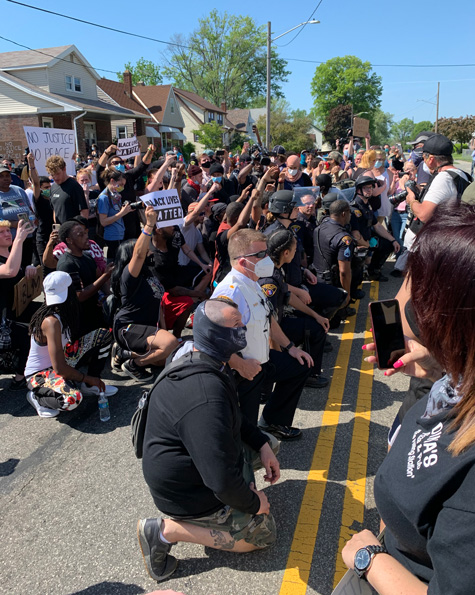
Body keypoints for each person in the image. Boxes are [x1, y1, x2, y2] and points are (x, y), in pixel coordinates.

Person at [342, 201, 475, 595]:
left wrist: (369, 559)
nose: (408, 309)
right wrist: (441, 366)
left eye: (422, 299)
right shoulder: (454, 384)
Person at [138, 299, 279, 582]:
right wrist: (254, 502)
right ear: (216, 335)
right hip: (185, 491)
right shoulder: (205, 393)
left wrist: (262, 446)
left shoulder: (208, 360)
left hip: (195, 462)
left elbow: (235, 418)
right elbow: (220, 480)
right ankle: (167, 530)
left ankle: (241, 486)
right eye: (236, 326)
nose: (243, 329)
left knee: (270, 443)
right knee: (264, 533)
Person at [212, 228, 314, 440]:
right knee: (244, 432)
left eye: (266, 252)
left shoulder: (254, 281)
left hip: (262, 362)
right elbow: (212, 340)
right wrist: (241, 366)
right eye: (260, 255)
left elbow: (268, 318)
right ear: (242, 261)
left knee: (299, 366)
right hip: (243, 372)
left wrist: (291, 348)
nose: (266, 258)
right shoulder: (230, 292)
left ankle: (274, 421)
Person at [24, 271, 116, 418]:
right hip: (40, 373)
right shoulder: (50, 321)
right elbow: (59, 368)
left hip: (61, 360)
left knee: (103, 335)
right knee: (72, 399)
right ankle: (37, 396)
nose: (58, 302)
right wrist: (86, 377)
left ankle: (89, 387)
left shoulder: (64, 312)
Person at [111, 207, 178, 383]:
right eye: (145, 246)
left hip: (147, 327)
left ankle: (124, 353)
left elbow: (159, 304)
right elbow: (139, 254)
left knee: (166, 357)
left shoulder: (148, 273)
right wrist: (149, 224)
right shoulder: (129, 275)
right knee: (170, 344)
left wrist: (163, 330)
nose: (149, 249)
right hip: (129, 327)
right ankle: (135, 363)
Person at [259, 229, 329, 389]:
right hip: (269, 331)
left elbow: (287, 296)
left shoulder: (274, 266)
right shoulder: (268, 279)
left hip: (278, 321)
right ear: (285, 252)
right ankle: (268, 385)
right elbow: (267, 323)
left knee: (317, 326)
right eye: (294, 249)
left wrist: (315, 315)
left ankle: (311, 374)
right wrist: (280, 358)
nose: (296, 251)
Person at [56, 220, 112, 333]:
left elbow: (98, 278)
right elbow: (79, 296)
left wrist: (107, 295)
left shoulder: (87, 256)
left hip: (96, 314)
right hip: (81, 322)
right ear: (69, 240)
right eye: (81, 235)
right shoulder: (67, 264)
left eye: (85, 233)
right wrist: (106, 276)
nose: (87, 237)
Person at [0, 219, 36, 390]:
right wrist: (19, 239)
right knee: (26, 336)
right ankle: (20, 377)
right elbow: (9, 271)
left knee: (50, 313)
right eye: (1, 232)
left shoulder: (12, 251)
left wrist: (29, 269)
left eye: (8, 231)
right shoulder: (14, 248)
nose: (7, 234)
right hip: (6, 315)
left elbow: (17, 274)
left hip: (20, 306)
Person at [313, 199, 364, 307]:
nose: (351, 215)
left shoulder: (320, 226)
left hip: (318, 277)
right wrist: (347, 294)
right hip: (332, 283)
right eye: (349, 213)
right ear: (344, 214)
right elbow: (344, 272)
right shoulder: (344, 238)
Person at [350, 176, 400, 281]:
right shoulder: (355, 208)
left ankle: (373, 271)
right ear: (358, 190)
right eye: (366, 188)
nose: (370, 190)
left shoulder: (367, 205)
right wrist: (366, 245)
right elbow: (355, 235)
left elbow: (377, 225)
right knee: (357, 279)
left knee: (387, 243)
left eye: (371, 187)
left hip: (368, 239)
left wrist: (393, 240)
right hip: (357, 244)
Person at [97, 169, 131, 262]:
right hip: (112, 236)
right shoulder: (104, 197)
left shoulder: (116, 195)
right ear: (112, 181)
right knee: (117, 263)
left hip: (120, 233)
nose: (122, 187)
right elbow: (103, 222)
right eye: (121, 184)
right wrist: (122, 213)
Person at [46, 156, 88, 224]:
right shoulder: (53, 187)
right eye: (52, 175)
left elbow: (84, 211)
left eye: (57, 174)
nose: (55, 177)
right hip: (60, 231)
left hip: (73, 231)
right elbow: (55, 210)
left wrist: (80, 230)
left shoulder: (74, 186)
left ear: (64, 169)